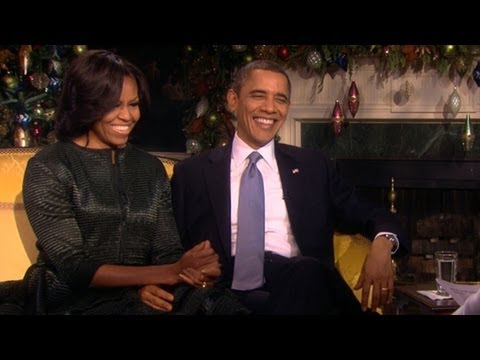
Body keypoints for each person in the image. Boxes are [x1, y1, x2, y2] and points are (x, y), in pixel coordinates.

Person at [0, 49, 248, 315]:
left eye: (133, 104)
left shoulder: (150, 169)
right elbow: (74, 267)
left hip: (148, 286)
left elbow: (167, 252)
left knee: (218, 305)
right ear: (85, 104)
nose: (128, 116)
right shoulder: (50, 165)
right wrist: (166, 274)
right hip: (70, 298)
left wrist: (193, 272)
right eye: (114, 105)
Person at [171, 59, 409, 315]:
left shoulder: (314, 167)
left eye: (280, 99)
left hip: (301, 283)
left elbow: (368, 212)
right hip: (223, 290)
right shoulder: (192, 173)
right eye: (258, 95)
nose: (270, 108)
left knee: (306, 274)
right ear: (232, 100)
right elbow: (168, 247)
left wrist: (383, 244)